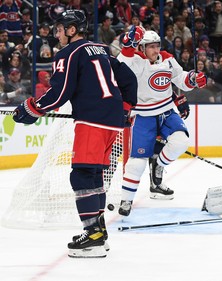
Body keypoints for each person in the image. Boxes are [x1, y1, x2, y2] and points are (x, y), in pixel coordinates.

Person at [11, 10, 137, 258]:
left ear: (71, 30)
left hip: (92, 120)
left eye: (59, 29)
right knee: (94, 175)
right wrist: (125, 108)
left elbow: (60, 93)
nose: (56, 34)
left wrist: (32, 109)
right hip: (112, 121)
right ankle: (99, 230)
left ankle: (92, 236)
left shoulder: (69, 53)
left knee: (81, 175)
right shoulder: (100, 49)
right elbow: (129, 78)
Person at [116, 26, 207, 216]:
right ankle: (126, 200)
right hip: (143, 115)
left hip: (166, 111)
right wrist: (126, 44)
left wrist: (193, 79)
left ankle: (158, 164)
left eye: (157, 46)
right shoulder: (135, 61)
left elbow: (180, 79)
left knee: (181, 142)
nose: (155, 50)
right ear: (141, 48)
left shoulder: (167, 58)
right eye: (151, 47)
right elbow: (121, 64)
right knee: (137, 162)